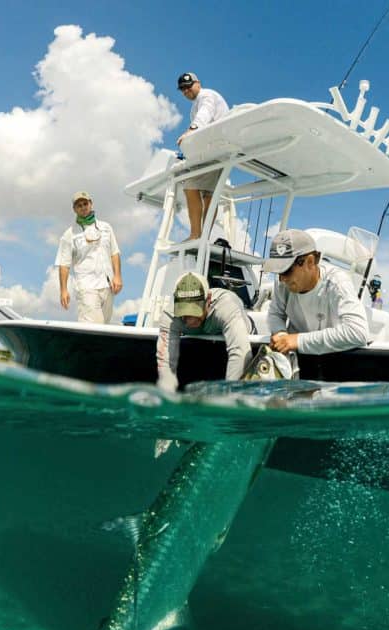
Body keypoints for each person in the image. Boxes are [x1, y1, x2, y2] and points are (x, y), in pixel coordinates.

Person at [263, 229, 369, 355]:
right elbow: (275, 314)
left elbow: (358, 332)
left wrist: (298, 341)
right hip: (297, 357)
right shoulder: (282, 283)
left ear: (310, 262)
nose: (282, 278)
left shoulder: (337, 282)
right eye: (278, 272)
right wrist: (281, 335)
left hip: (333, 356)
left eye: (286, 270)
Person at [156, 271, 253, 392]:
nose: (190, 319)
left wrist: (230, 397)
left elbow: (240, 352)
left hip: (243, 330)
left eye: (195, 309)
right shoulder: (169, 316)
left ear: (208, 299)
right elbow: (166, 364)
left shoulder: (226, 306)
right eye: (184, 310)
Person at [176, 72, 230, 241]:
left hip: (214, 152)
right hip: (218, 152)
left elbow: (204, 114)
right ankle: (203, 235)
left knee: (190, 186)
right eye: (182, 89)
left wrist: (191, 130)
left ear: (198, 83)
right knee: (208, 195)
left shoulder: (206, 96)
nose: (186, 91)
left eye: (188, 86)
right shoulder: (196, 105)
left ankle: (195, 235)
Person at [55, 191, 122, 323]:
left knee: (105, 327)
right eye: (79, 205)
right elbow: (64, 265)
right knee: (92, 326)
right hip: (86, 286)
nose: (83, 207)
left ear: (91, 204)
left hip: (107, 285)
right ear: (74, 209)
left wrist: (118, 276)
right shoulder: (69, 234)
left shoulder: (106, 227)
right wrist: (63, 290)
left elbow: (114, 253)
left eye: (85, 203)